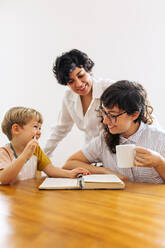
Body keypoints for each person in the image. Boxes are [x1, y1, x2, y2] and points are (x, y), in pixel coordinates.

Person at [63, 80, 165, 184]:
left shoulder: (160, 139)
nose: (105, 121)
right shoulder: (104, 140)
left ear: (134, 114)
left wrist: (159, 163)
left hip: (152, 199)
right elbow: (69, 164)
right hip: (119, 199)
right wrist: (106, 172)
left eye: (112, 115)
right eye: (104, 113)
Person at [44, 49, 113, 157]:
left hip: (114, 152)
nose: (79, 84)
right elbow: (60, 129)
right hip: (92, 154)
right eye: (71, 81)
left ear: (88, 70)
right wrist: (41, 156)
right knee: (68, 166)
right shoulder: (69, 96)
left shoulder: (109, 88)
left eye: (81, 76)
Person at [0, 107, 89, 185]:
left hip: (30, 195)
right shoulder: (4, 152)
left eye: (40, 128)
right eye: (35, 127)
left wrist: (69, 173)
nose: (39, 132)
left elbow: (50, 169)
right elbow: (4, 179)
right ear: (16, 129)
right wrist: (24, 156)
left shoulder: (36, 150)